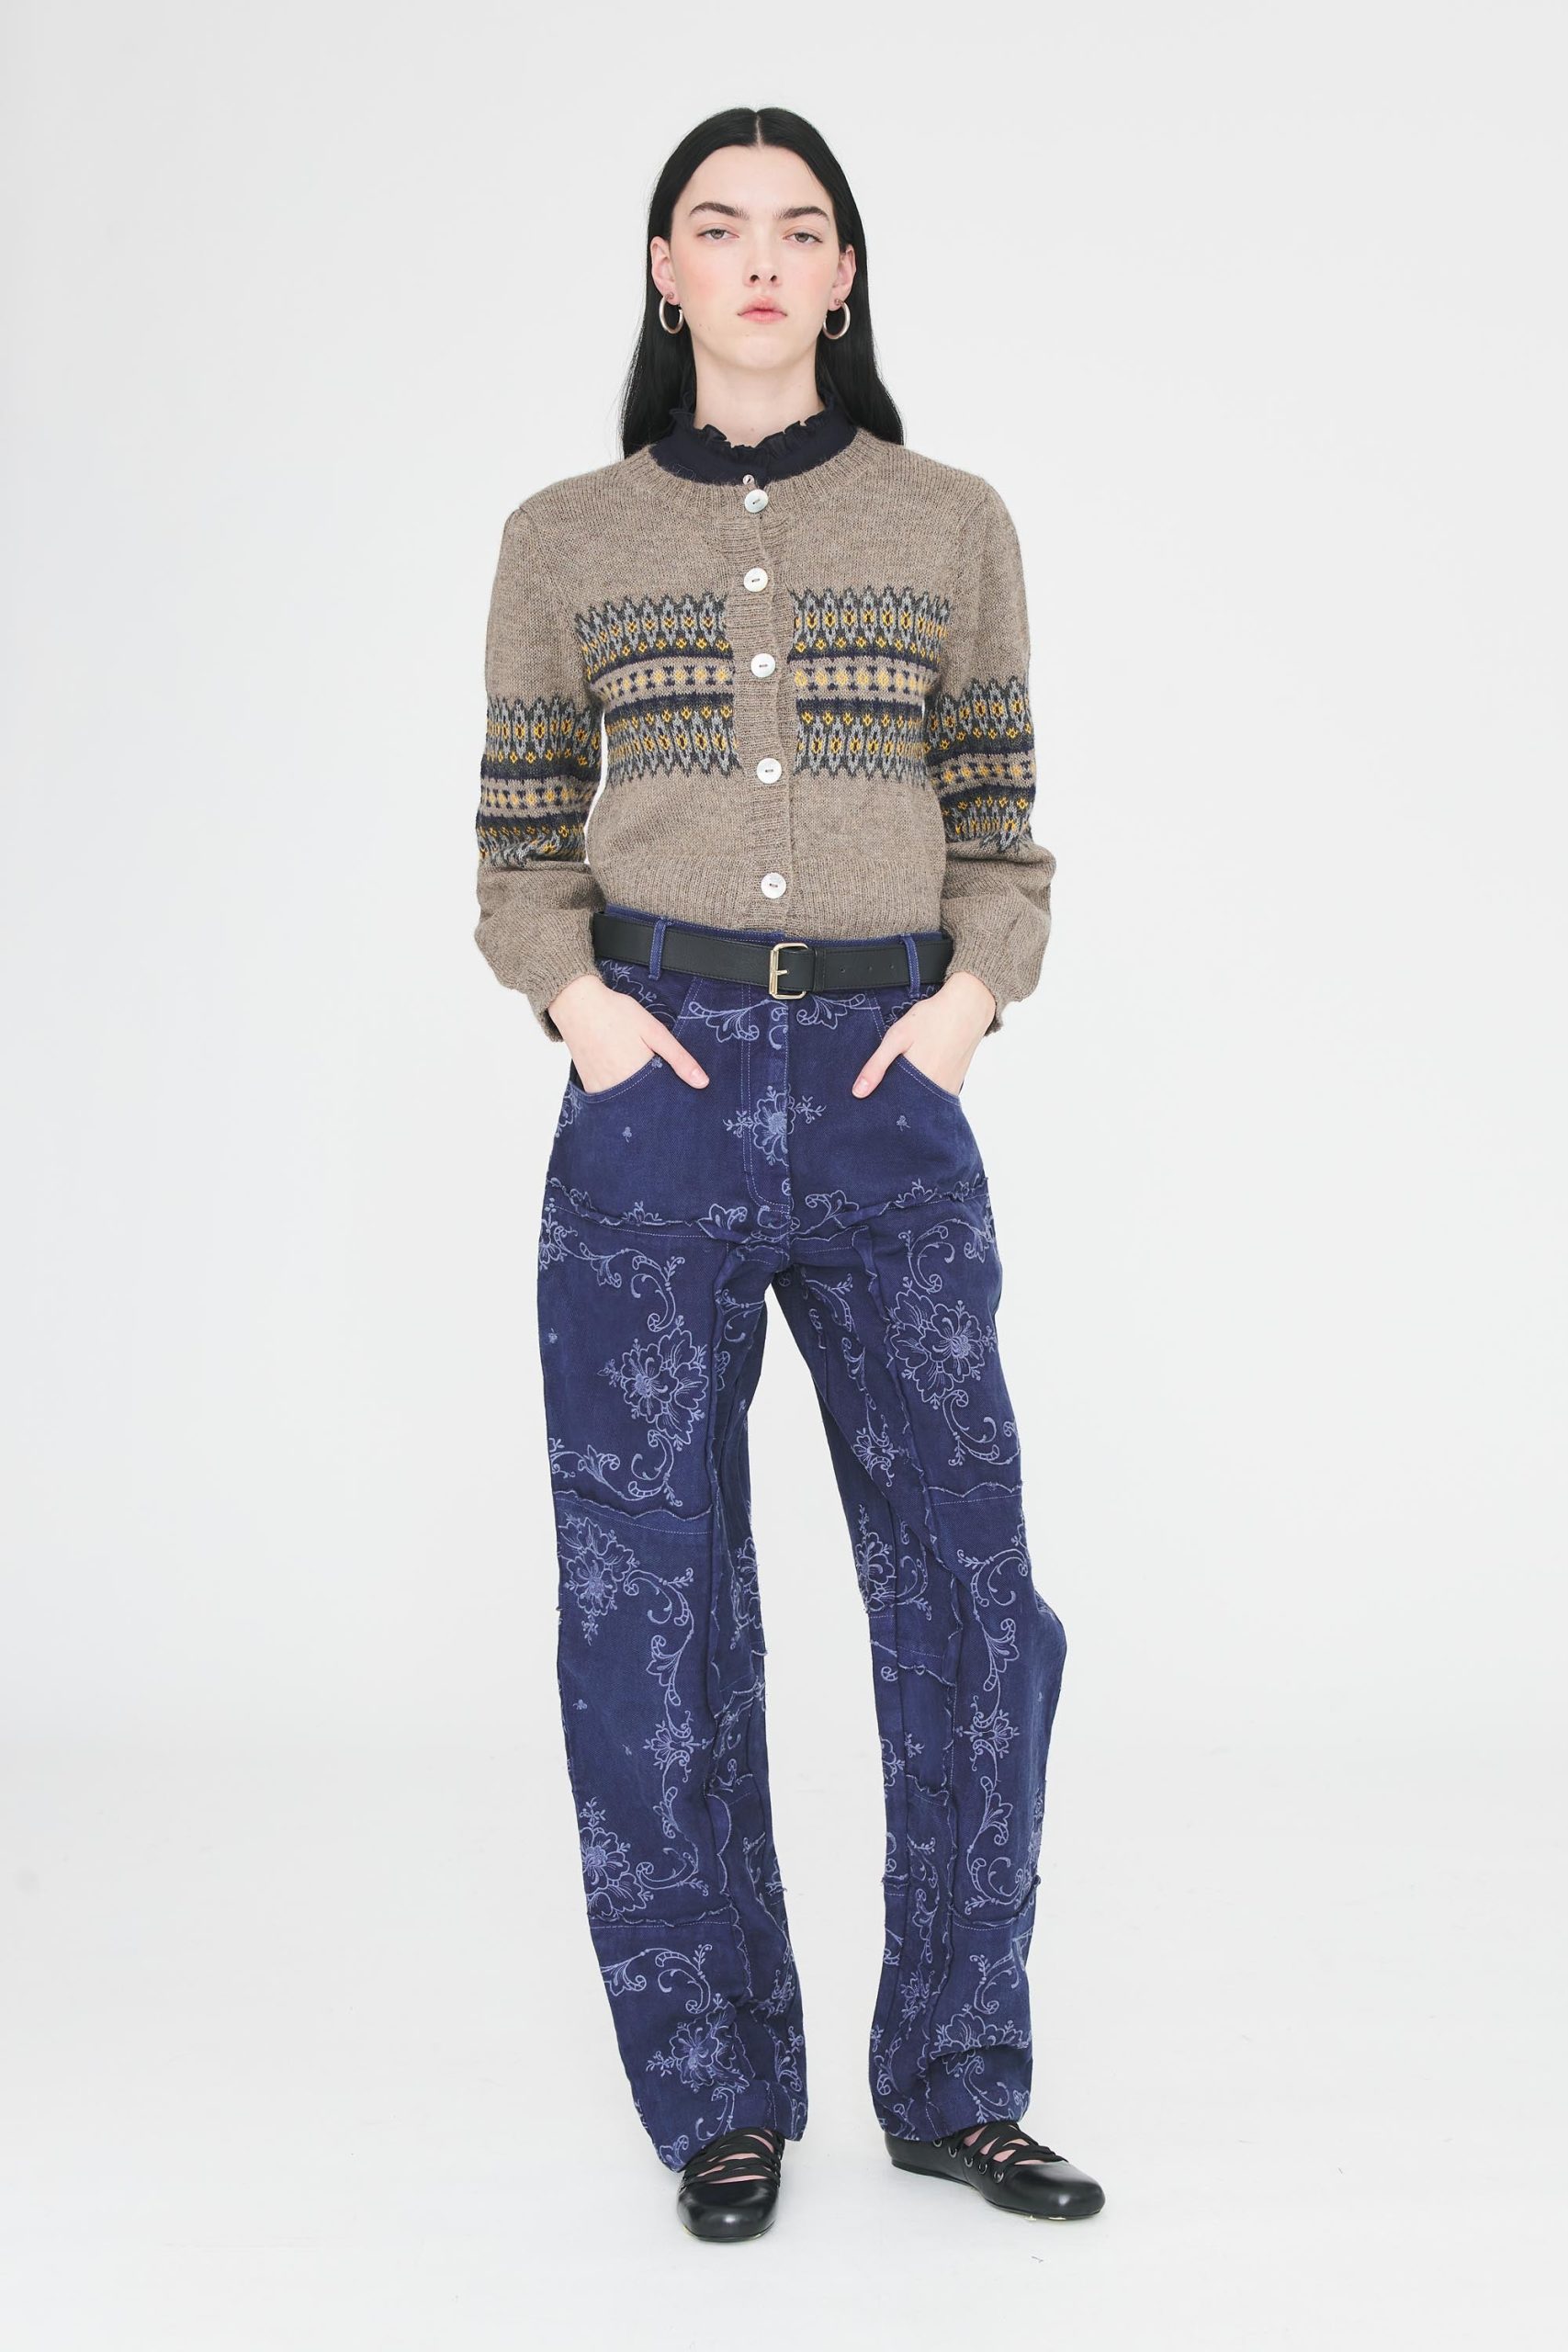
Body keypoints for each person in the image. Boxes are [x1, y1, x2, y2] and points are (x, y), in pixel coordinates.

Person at [473, 105, 1104, 2243]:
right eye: (717, 225)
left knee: (967, 1595)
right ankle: (718, 2091)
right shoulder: (562, 535)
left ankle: (957, 2077)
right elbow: (518, 836)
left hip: (881, 1088)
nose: (759, 257)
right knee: (647, 1606)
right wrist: (578, 1007)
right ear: (663, 270)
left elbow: (998, 820)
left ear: (843, 273)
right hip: (646, 1090)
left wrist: (962, 1004)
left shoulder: (946, 522)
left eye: (800, 226)